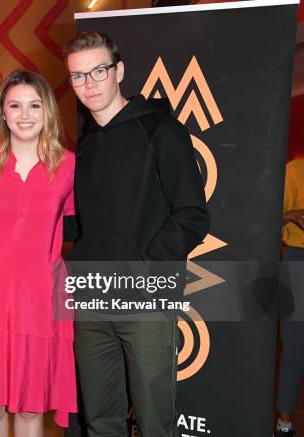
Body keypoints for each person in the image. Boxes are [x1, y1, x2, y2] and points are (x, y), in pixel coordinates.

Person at [63, 32, 209, 437]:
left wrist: (144, 268)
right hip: (91, 299)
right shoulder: (86, 147)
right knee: (99, 419)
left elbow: (193, 215)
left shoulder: (162, 130)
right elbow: (84, 224)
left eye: (98, 71)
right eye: (78, 76)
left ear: (119, 71)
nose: (89, 84)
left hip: (145, 299)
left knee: (152, 422)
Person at [0, 70, 78, 436]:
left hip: (41, 294)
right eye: (15, 105)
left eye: (34, 105)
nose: (25, 115)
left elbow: (77, 223)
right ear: (2, 113)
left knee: (29, 407)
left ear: (48, 111)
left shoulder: (68, 165)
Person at [275, 157, 304, 437]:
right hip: (298, 259)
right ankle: (284, 421)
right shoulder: (295, 170)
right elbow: (267, 214)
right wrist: (292, 214)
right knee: (295, 342)